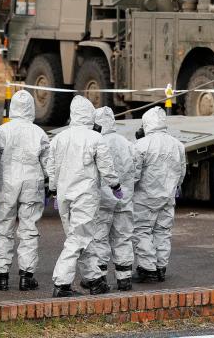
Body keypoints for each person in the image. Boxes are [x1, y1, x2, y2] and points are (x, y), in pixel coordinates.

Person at [45, 96, 122, 297]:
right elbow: (106, 166)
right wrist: (115, 185)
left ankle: (95, 280)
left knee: (80, 238)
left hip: (63, 197)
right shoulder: (95, 138)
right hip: (84, 197)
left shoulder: (59, 138)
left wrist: (53, 189)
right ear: (89, 114)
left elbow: (51, 168)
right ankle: (61, 284)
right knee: (78, 239)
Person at [0, 89, 50, 292]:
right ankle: (26, 276)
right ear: (31, 107)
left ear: (12, 107)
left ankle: (1, 275)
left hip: (7, 182)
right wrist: (51, 187)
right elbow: (49, 163)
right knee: (29, 230)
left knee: (3, 227)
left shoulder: (2, 131)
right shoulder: (38, 132)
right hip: (32, 182)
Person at [132, 106, 186, 284]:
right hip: (168, 196)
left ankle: (148, 269)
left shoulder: (141, 145)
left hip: (144, 197)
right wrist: (173, 187)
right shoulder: (178, 145)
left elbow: (134, 175)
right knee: (163, 232)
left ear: (146, 123)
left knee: (142, 231)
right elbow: (181, 172)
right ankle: (161, 268)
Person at [91, 106, 137, 292]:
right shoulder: (126, 143)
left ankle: (100, 278)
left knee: (99, 238)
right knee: (123, 237)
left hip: (102, 199)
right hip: (123, 197)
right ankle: (124, 279)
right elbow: (135, 169)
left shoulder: (96, 141)